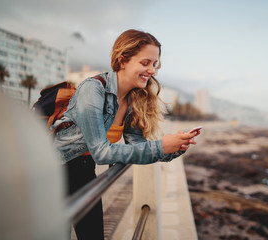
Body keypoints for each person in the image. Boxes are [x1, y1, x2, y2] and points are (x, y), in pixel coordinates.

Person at [51, 29, 200, 240]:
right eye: (145, 63)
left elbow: (136, 145)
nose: (152, 70)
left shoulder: (132, 100)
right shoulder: (92, 90)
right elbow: (102, 152)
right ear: (123, 61)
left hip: (84, 173)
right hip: (52, 173)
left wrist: (175, 148)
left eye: (155, 64)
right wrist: (161, 146)